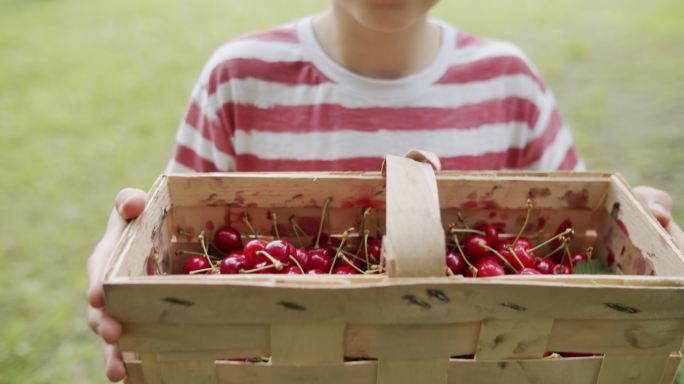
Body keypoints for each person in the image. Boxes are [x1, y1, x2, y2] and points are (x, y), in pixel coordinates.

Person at [86, 1, 684, 382]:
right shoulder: (239, 81)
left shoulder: (511, 86)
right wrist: (130, 256)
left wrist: (644, 240)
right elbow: (179, 247)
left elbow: (574, 256)